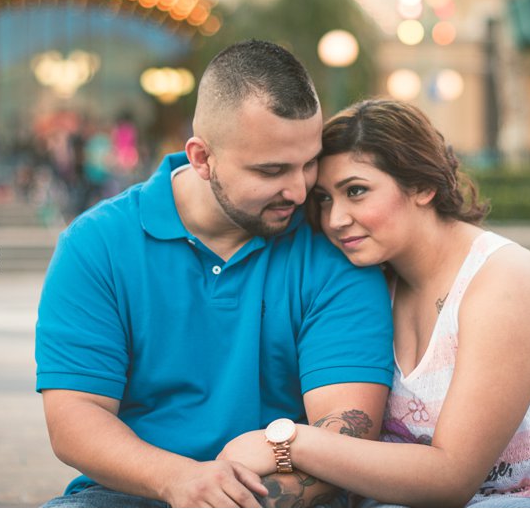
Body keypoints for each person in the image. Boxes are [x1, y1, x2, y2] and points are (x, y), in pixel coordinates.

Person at [35, 41, 394, 508]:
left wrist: (225, 502)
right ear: (202, 158)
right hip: (131, 493)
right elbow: (75, 419)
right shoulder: (96, 244)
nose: (300, 189)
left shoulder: (335, 246)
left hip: (286, 498)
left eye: (309, 163)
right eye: (271, 170)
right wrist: (179, 481)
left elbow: (346, 436)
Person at [218, 99, 530, 508]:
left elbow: (451, 476)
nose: (336, 219)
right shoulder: (373, 282)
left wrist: (288, 441)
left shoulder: (505, 282)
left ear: (423, 186)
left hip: (528, 502)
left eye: (357, 191)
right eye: (324, 199)